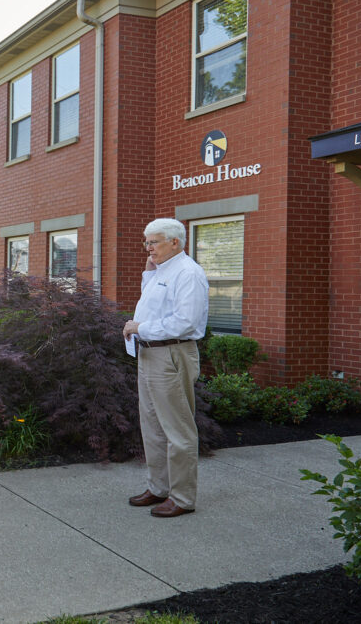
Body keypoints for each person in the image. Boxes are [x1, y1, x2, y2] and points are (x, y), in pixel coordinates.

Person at [122, 218, 209, 518]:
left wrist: (140, 327)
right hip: (149, 355)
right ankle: (159, 487)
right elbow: (159, 308)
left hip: (171, 355)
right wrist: (148, 276)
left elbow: (184, 321)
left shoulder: (188, 274)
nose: (148, 248)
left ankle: (182, 497)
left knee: (177, 428)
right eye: (146, 242)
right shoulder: (162, 272)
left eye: (154, 241)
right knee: (153, 426)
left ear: (175, 242)